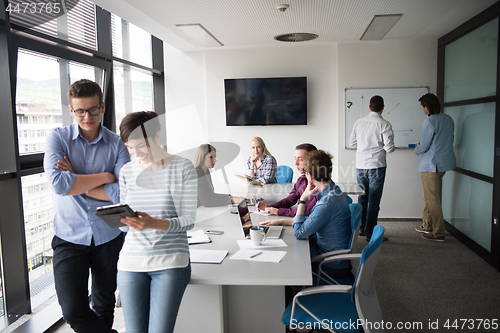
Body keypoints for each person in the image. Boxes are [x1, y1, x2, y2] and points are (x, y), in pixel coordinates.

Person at [44, 79, 130, 333]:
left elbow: (124, 192)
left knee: (104, 303)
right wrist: (105, 177)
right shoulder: (57, 139)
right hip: (69, 235)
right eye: (80, 110)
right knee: (73, 310)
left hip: (109, 232)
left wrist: (77, 181)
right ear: (71, 111)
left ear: (102, 107)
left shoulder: (116, 143)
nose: (87, 116)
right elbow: (60, 185)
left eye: (92, 109)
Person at [117, 111, 197, 332]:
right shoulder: (126, 171)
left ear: (157, 135)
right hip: (131, 261)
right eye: (129, 148)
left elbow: (189, 220)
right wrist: (120, 219)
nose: (136, 153)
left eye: (141, 146)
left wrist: (153, 223)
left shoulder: (183, 167)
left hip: (170, 262)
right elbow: (125, 225)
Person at [292, 150, 352, 279]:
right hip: (336, 256)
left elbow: (299, 233)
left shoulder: (326, 203)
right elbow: (316, 220)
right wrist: (282, 221)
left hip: (330, 264)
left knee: (289, 260)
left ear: (310, 176)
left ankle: (294, 293)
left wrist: (302, 200)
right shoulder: (335, 191)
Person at [349, 95, 394, 241]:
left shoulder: (359, 122)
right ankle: (370, 233)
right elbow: (389, 148)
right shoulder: (385, 124)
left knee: (362, 197)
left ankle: (361, 228)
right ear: (382, 107)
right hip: (377, 166)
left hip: (361, 165)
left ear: (369, 107)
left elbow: (352, 143)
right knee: (374, 199)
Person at [414, 93, 456, 242]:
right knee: (429, 196)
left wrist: (416, 148)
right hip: (443, 163)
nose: (422, 109)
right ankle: (427, 224)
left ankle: (438, 232)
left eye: (422, 106)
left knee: (432, 199)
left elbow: (424, 146)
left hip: (431, 165)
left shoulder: (429, 121)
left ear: (427, 106)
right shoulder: (448, 119)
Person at [258, 143, 318, 226]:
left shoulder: (319, 185)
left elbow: (307, 212)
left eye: (300, 159)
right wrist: (269, 206)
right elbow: (289, 200)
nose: (295, 163)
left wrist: (277, 211)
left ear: (312, 162)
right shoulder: (301, 180)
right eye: (295, 159)